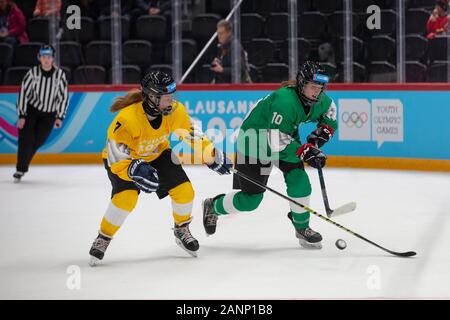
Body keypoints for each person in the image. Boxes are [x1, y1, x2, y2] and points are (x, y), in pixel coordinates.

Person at [88, 71, 232, 266]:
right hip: (124, 162)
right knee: (125, 199)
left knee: (185, 192)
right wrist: (134, 169)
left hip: (157, 155)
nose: (170, 102)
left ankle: (181, 229)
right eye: (165, 98)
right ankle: (104, 237)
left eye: (171, 96)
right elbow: (116, 156)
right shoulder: (127, 119)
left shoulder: (174, 112)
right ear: (151, 98)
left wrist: (211, 155)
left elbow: (191, 135)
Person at [202, 61, 337, 249]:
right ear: (301, 84)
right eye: (313, 86)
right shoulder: (285, 101)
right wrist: (305, 151)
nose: (317, 92)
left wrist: (324, 130)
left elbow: (330, 110)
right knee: (250, 201)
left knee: (300, 181)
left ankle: (302, 227)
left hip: (283, 138)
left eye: (320, 87)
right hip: (253, 143)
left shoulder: (320, 100)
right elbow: (277, 142)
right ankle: (213, 206)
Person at [14, 44, 68, 183]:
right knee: (25, 140)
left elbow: (63, 97)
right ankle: (20, 169)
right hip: (32, 111)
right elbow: (23, 93)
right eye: (43, 56)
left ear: (53, 59)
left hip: (49, 115)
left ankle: (23, 166)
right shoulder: (32, 73)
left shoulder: (60, 75)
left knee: (37, 142)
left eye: (49, 57)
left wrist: (60, 116)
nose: (46, 59)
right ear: (39, 58)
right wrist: (21, 115)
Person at [210, 19, 251, 83]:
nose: (219, 36)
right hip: (226, 85)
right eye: (218, 33)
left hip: (238, 88)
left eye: (221, 33)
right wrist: (219, 62)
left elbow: (239, 70)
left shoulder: (235, 47)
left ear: (229, 33)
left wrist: (222, 70)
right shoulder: (222, 46)